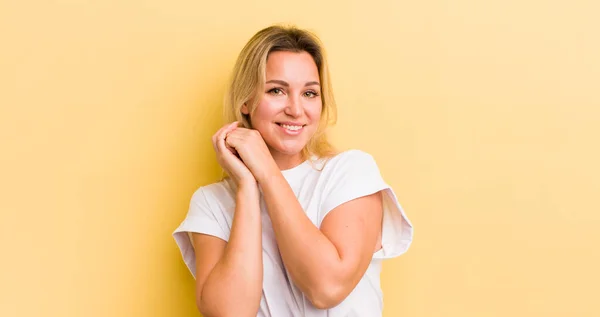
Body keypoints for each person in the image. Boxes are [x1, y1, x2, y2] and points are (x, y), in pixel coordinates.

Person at [173, 24, 413, 317]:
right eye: (277, 90)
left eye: (310, 93)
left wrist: (267, 173)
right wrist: (248, 186)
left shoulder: (351, 173)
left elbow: (327, 287)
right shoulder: (211, 203)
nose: (296, 110)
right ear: (246, 101)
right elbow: (230, 313)